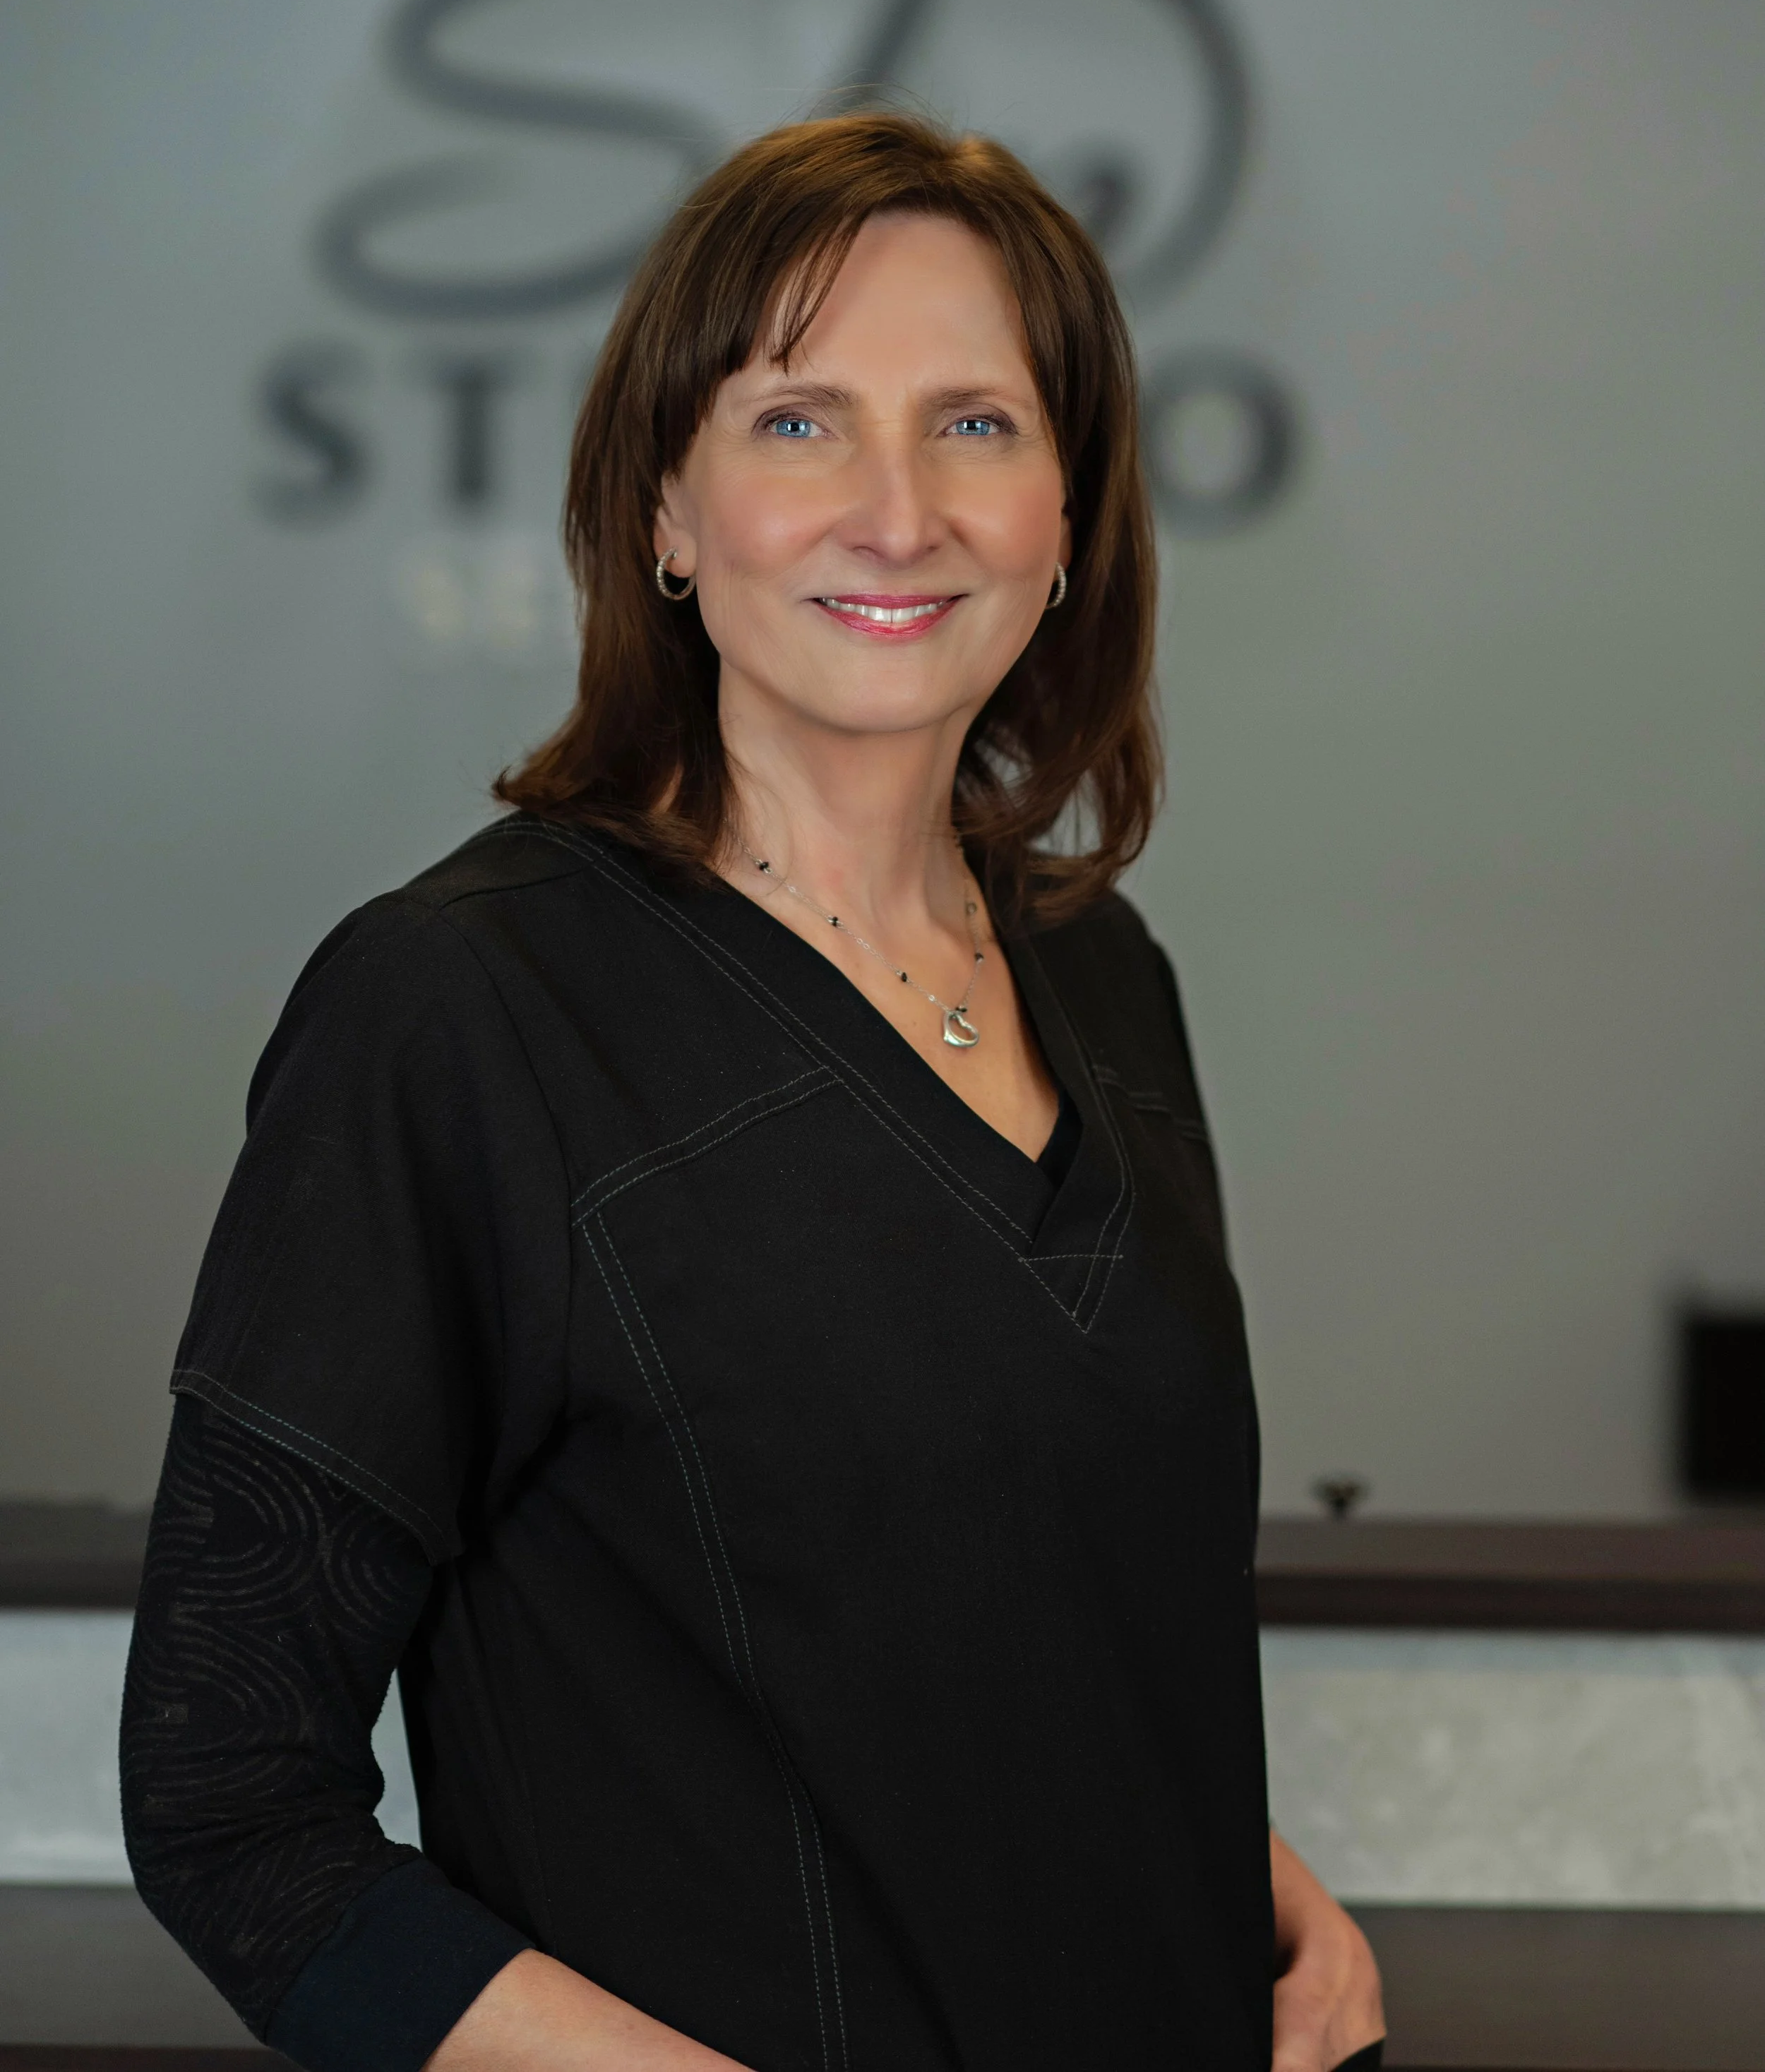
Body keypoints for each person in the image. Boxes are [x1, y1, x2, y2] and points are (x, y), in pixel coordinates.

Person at [121, 114, 1384, 2072]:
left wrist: (1253, 1882)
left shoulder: (1104, 977)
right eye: (798, 422)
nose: (898, 511)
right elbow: (231, 1810)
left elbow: (998, 1630)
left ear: (1068, 519)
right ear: (665, 511)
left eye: (975, 424)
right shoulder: (459, 1010)